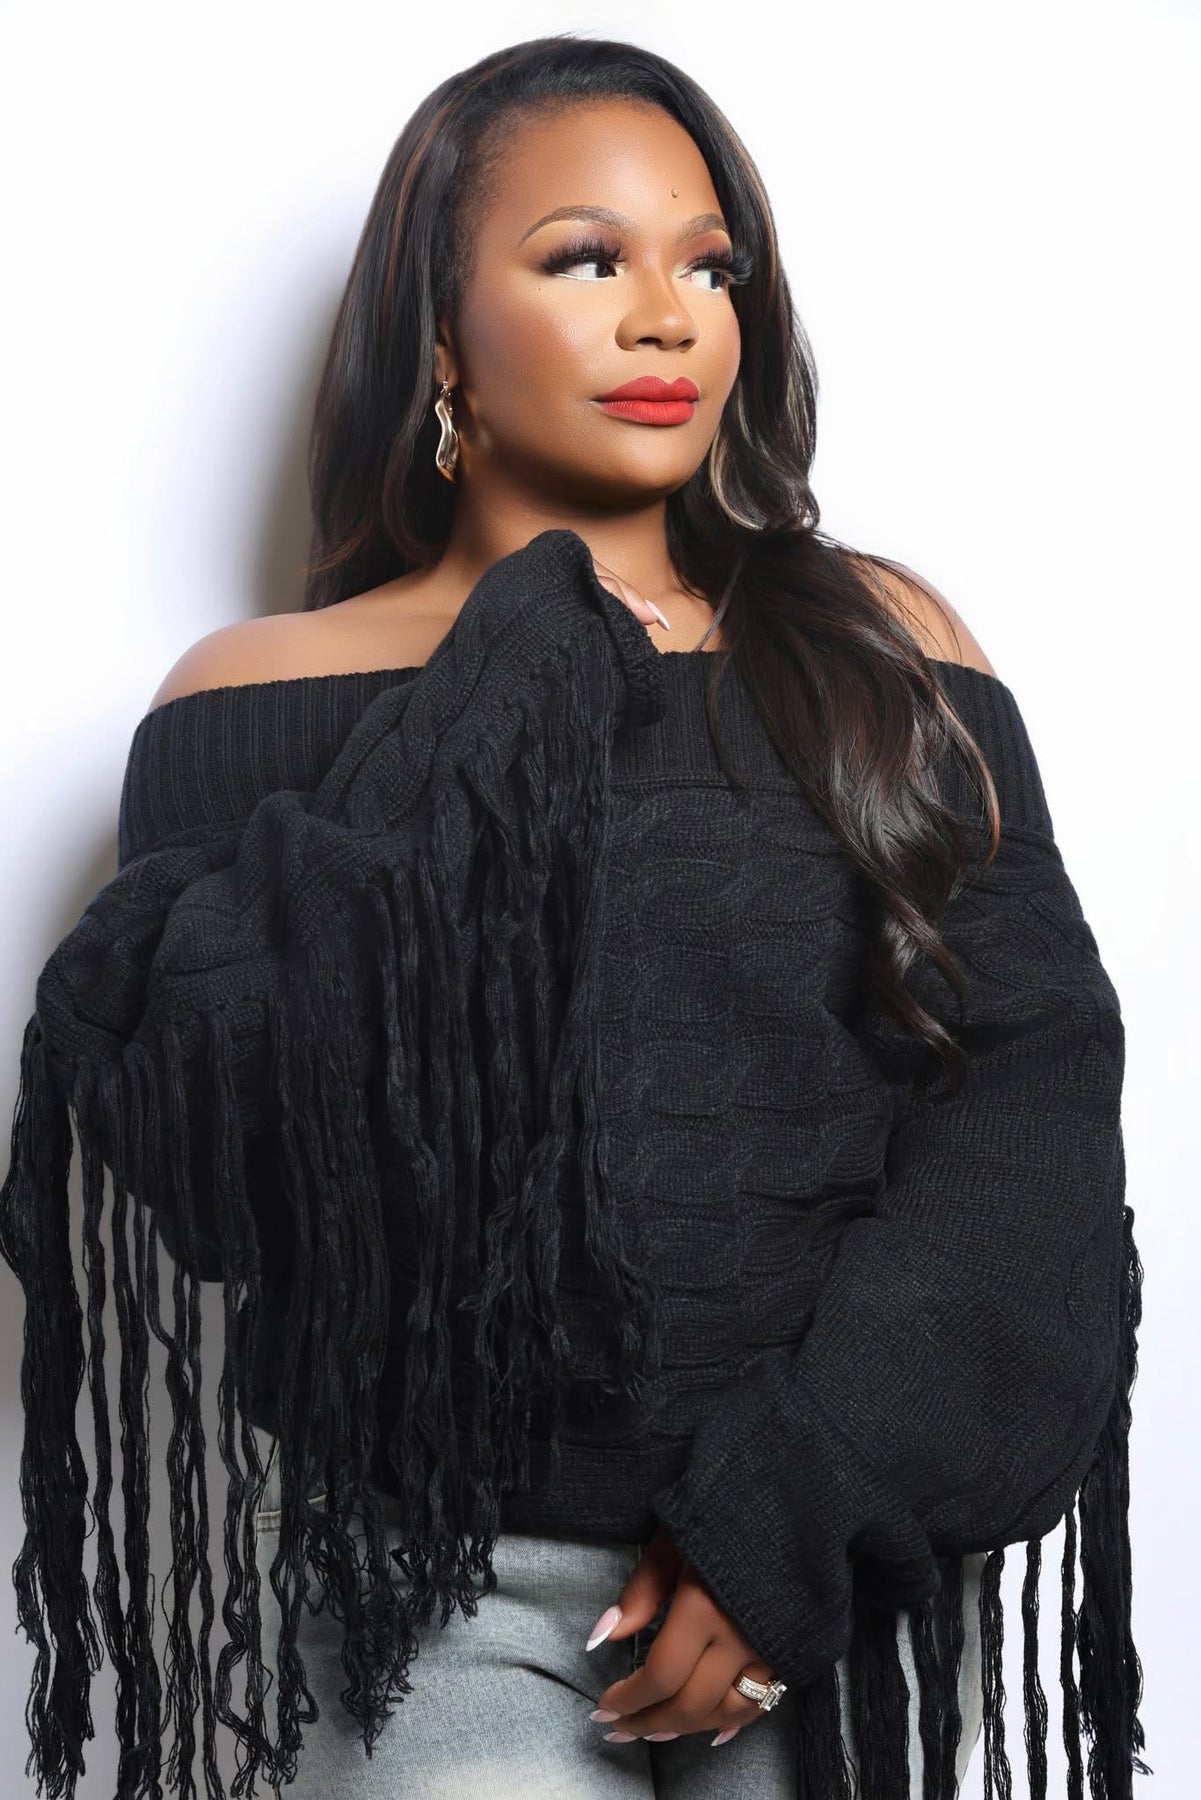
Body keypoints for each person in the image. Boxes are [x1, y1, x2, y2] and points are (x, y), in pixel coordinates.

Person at [0, 32, 1149, 1800]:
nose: (667, 318)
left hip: (838, 1556)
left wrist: (791, 1517)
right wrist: (510, 664)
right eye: (585, 259)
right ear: (439, 338)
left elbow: (1032, 1100)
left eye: (710, 266)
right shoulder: (251, 698)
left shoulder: (880, 648)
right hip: (439, 1578)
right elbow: (223, 1168)